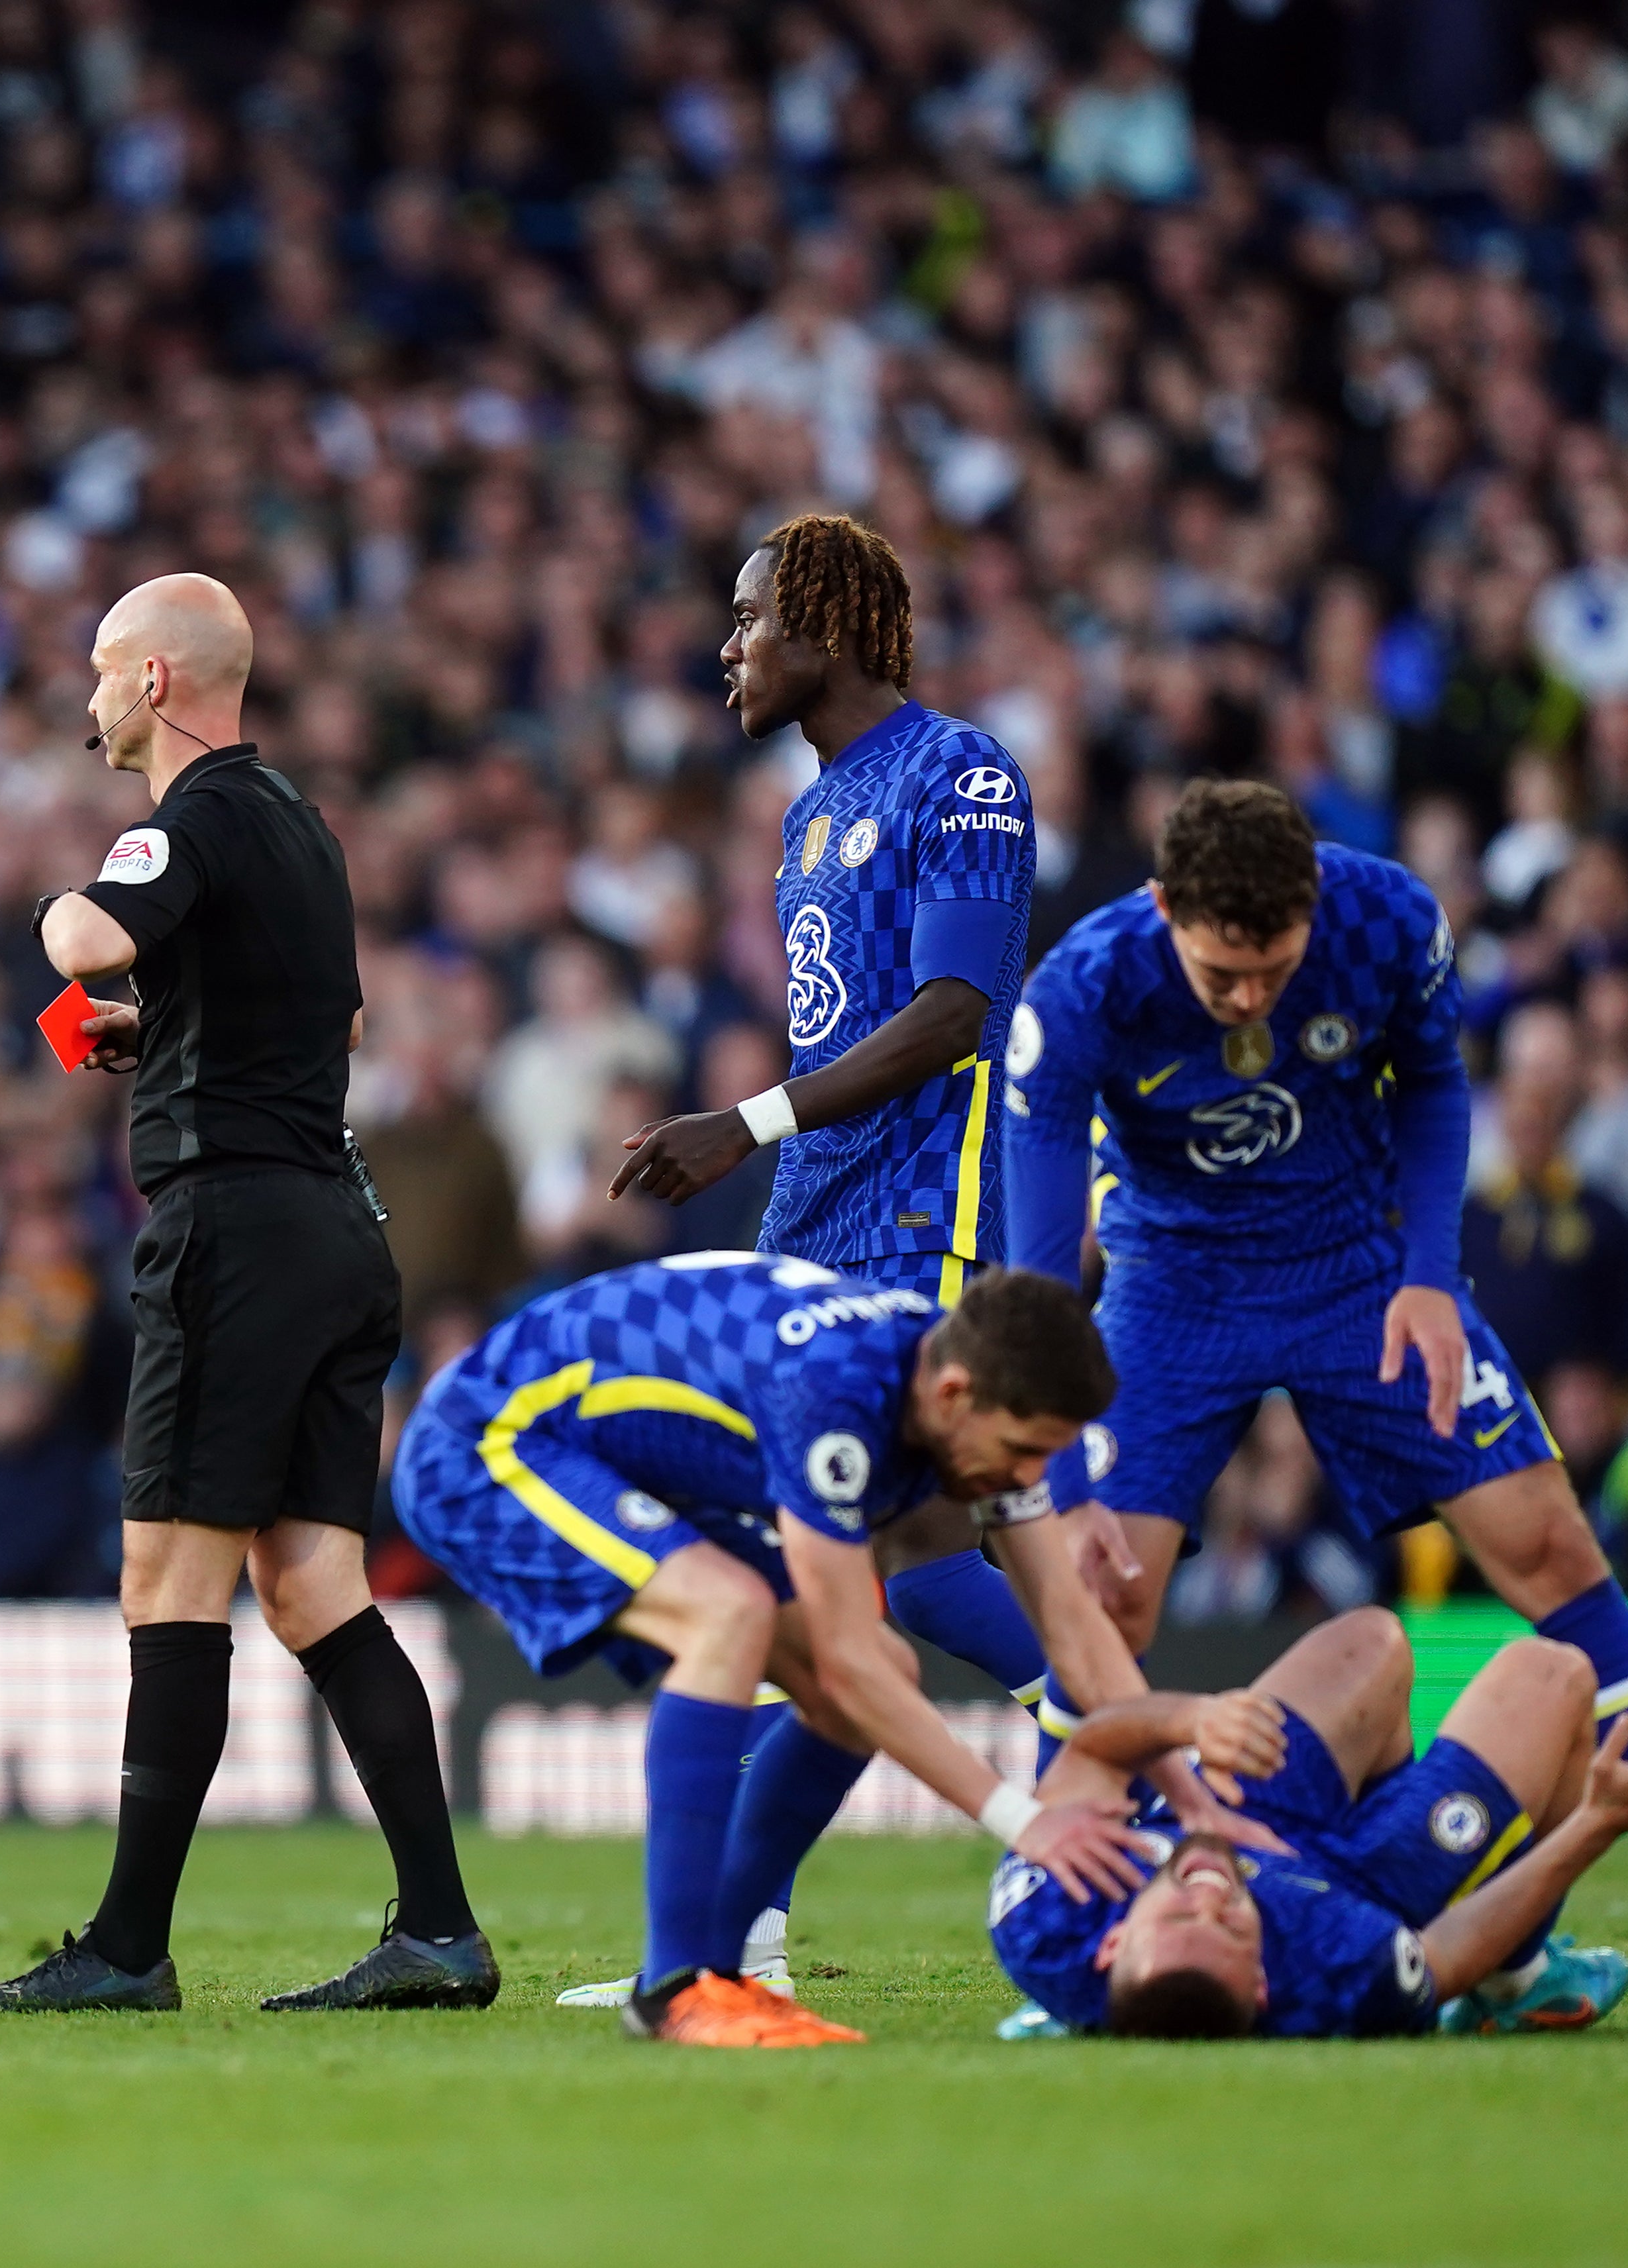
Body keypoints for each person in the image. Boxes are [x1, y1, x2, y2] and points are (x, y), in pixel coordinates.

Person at [1001, 779, 1628, 2020]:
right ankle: (1091, 1935)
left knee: (1556, 1559)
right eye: (1220, 977)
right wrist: (1065, 1464)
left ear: (1314, 909)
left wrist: (1426, 1280)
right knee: (1095, 1604)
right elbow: (1037, 1265)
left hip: (1360, 1274)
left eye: (1274, 969)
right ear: (1159, 909)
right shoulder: (1081, 989)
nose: (1250, 1001)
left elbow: (1438, 1091)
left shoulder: (1387, 918)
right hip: (1170, 1290)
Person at [0, 573, 489, 2014]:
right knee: (313, 1585)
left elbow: (83, 941)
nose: (91, 697)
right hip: (330, 1221)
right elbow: (338, 1014)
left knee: (166, 1583)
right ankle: (438, 1927)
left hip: (233, 1229)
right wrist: (163, 1025)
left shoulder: (186, 819)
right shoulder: (300, 824)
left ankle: (124, 1950)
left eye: (105, 670)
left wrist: (64, 909)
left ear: (161, 683)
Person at [584, 513, 1068, 2002]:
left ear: (828, 627)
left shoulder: (960, 773)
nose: (724, 648)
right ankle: (741, 1939)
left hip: (926, 1213)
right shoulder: (808, 812)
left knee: (902, 1560)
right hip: (814, 1215)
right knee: (802, 1568)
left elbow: (954, 1010)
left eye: (746, 619)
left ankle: (1104, 1716)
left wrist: (745, 1118)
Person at [391, 1254, 1148, 2048]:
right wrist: (1020, 1820)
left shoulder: (947, 1381)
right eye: (1025, 1451)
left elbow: (1068, 1623)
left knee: (875, 1674)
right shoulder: (834, 1388)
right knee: (732, 1614)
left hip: (613, 1455)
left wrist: (1191, 1799)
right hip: (481, 1442)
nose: (1029, 1478)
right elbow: (845, 1658)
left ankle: (717, 1971)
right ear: (956, 1396)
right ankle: (674, 1990)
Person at [990, 1608, 1628, 2040]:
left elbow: (1087, 1747)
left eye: (1181, 1910)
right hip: (1367, 1883)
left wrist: (1194, 1717)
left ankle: (1377, 1789)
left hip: (1241, 1809)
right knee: (1554, 1673)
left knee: (1370, 1640)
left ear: (1112, 1942)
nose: (1210, 1893)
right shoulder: (1331, 1974)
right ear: (1259, 1986)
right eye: (1228, 1928)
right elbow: (1444, 1952)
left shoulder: (1049, 1912)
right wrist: (1596, 1825)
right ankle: (1519, 1982)